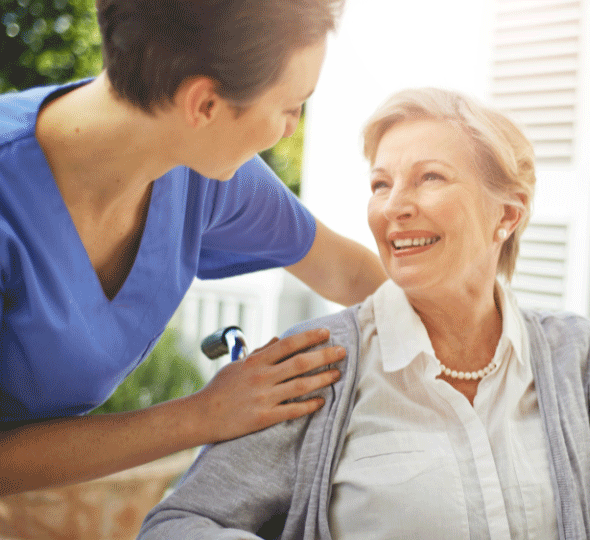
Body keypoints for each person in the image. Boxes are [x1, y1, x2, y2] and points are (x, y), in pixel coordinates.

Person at [137, 88, 590, 539]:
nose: (393, 208)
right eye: (381, 185)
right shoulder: (320, 362)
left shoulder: (579, 357)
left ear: (506, 216)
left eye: (429, 178)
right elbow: (177, 525)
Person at [0, 0, 387, 496]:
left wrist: (491, 349)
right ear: (204, 105)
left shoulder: (198, 173)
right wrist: (202, 416)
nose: (291, 128)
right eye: (291, 107)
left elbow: (348, 273)